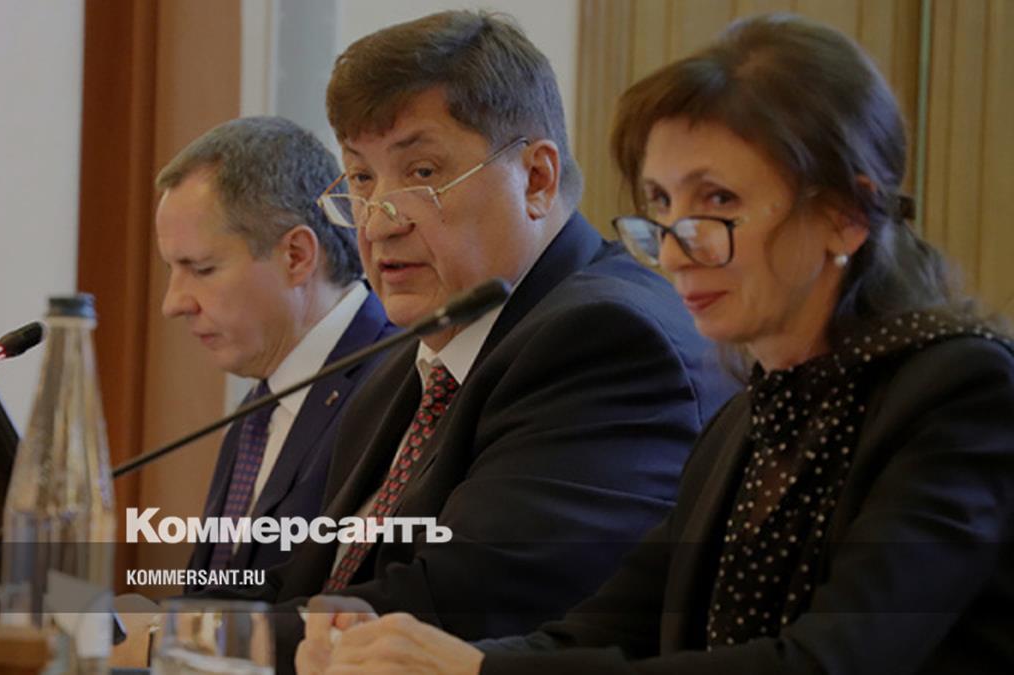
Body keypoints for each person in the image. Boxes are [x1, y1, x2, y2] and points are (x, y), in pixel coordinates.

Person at [304, 13, 1014, 675]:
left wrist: (474, 671)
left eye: (719, 202)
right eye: (664, 205)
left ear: (844, 214)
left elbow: (829, 661)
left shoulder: (960, 390)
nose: (677, 249)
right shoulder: (749, 418)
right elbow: (601, 631)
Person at [208, 10, 736, 672]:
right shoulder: (402, 368)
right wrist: (154, 626)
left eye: (423, 171)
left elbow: (455, 605)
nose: (379, 222)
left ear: (537, 179)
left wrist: (188, 639)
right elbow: (308, 588)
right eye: (362, 178)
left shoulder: (605, 341)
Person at [154, 116, 395, 581]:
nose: (173, 304)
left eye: (201, 269)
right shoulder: (260, 405)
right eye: (172, 270)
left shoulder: (397, 387)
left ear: (296, 256)